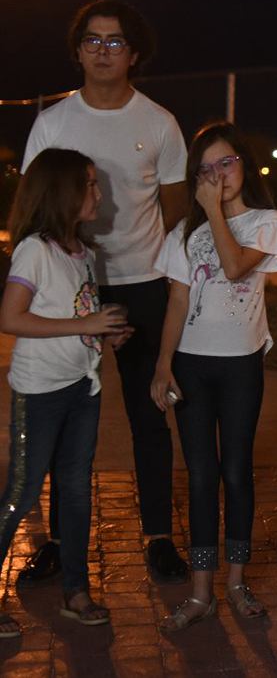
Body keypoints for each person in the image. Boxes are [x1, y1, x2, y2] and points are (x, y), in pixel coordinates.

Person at [21, 0, 190, 586]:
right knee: (67, 414)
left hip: (142, 282)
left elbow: (175, 214)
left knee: (150, 413)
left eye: (115, 41)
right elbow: (37, 205)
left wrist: (171, 283)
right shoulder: (53, 123)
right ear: (78, 50)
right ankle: (58, 542)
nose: (102, 51)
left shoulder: (159, 123)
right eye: (92, 40)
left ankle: (158, 537)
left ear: (134, 53)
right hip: (71, 286)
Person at [148, 123, 277, 630]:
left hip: (240, 365)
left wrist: (212, 211)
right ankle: (201, 592)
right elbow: (178, 300)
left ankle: (236, 583)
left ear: (244, 164)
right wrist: (163, 365)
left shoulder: (266, 222)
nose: (217, 176)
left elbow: (233, 268)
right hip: (191, 364)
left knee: (236, 471)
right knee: (201, 475)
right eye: (205, 169)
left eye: (226, 163)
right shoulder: (184, 234)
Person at [0, 149, 131, 635]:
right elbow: (11, 317)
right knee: (22, 492)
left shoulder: (84, 252)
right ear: (62, 192)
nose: (98, 193)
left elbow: (76, 315)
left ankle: (76, 592)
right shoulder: (36, 250)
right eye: (89, 184)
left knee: (76, 492)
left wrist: (105, 333)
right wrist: (86, 324)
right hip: (40, 392)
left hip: (83, 388)